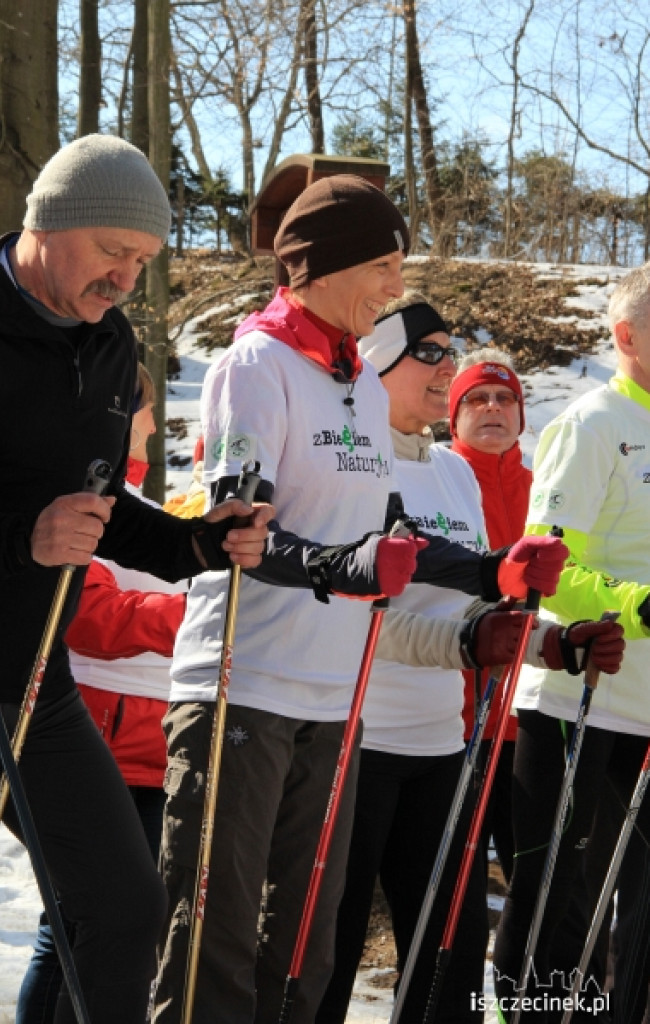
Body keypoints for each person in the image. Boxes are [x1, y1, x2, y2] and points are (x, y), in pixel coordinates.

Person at [151, 177, 569, 1024]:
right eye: (383, 265)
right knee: (216, 951)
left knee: (302, 954)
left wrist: (496, 572)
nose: (393, 287)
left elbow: (394, 534)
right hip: (243, 686)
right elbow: (238, 530)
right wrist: (349, 568)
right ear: (326, 267)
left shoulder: (357, 384)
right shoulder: (255, 363)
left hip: (334, 699)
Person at [0, 134, 272, 1024]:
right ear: (47, 224)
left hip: (28, 684)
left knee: (126, 908)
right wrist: (22, 536)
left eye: (141, 262)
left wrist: (197, 546)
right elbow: (45, 527)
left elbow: (103, 511)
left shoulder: (108, 348)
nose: (125, 279)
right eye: (113, 252)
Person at [315, 298, 623, 1024]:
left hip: (443, 744)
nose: (445, 366)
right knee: (336, 947)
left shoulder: (453, 474)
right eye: (428, 354)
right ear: (378, 365)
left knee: (445, 964)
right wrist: (463, 645)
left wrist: (555, 643)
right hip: (359, 742)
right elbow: (357, 612)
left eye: (449, 352)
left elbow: (473, 606)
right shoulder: (356, 459)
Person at [493, 261, 650, 1023]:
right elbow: (546, 567)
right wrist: (637, 604)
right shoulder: (591, 424)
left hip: (649, 711)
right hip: (580, 700)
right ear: (627, 336)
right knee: (559, 902)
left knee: (640, 911)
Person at [15, 362, 188, 1023]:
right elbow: (88, 619)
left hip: (156, 751)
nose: (140, 418)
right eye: (133, 406)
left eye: (135, 405)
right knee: (76, 929)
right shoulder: (77, 500)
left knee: (108, 931)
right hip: (99, 751)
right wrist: (190, 618)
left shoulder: (145, 513)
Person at [450, 347, 532, 882]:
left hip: (532, 720)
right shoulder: (439, 481)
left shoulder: (546, 486)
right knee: (456, 876)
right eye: (476, 399)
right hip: (456, 718)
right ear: (453, 415)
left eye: (505, 398)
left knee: (536, 872)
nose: (493, 408)